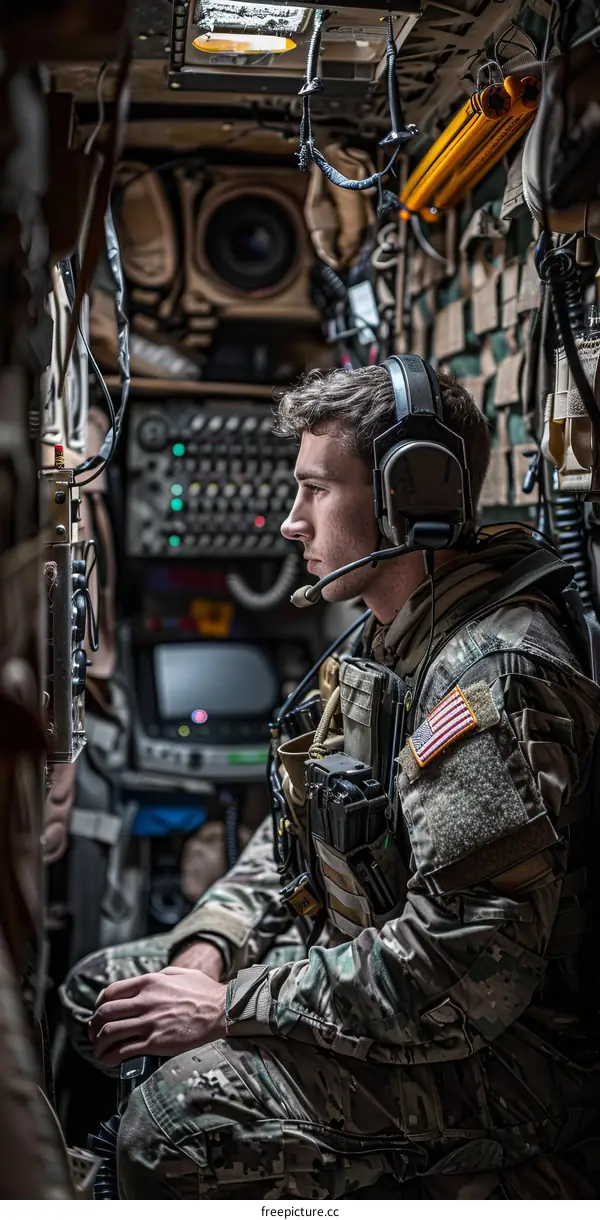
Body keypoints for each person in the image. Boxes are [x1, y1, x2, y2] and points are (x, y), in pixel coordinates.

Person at [61, 362, 600, 1200]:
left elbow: (463, 972)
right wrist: (210, 951)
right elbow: (294, 841)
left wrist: (231, 1005)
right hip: (379, 973)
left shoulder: (492, 677)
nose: (289, 521)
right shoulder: (383, 641)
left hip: (518, 1057)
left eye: (315, 491)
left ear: (407, 497)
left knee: (177, 1120)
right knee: (103, 991)